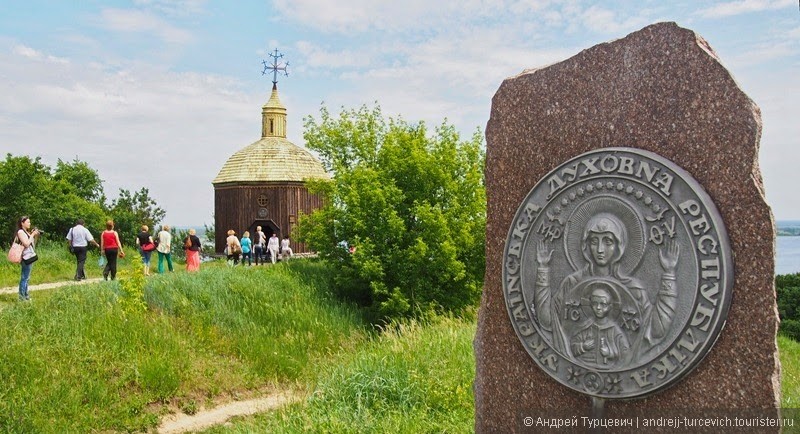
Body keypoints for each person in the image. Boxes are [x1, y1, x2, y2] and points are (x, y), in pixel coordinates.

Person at [534, 212, 679, 360]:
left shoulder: (634, 289)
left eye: (608, 242)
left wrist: (669, 273)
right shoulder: (572, 283)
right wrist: (543, 267)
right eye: (594, 241)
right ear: (586, 245)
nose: (600, 250)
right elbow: (547, 321)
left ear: (619, 246)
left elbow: (657, 330)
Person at [570, 284, 630, 368]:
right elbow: (572, 347)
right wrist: (582, 346)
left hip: (609, 371)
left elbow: (625, 353)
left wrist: (610, 353)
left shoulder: (614, 330)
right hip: (583, 367)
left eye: (603, 304)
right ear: (590, 305)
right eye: (595, 303)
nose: (598, 307)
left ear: (610, 306)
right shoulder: (586, 327)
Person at [15, 216, 40, 301]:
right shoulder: (20, 232)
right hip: (25, 257)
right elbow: (26, 244)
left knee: (27, 277)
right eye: (28, 222)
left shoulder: (26, 232)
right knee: (24, 278)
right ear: (22, 223)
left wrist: (35, 236)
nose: (30, 224)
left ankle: (26, 295)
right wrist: (32, 235)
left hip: (29, 256)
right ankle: (22, 297)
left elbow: (33, 245)